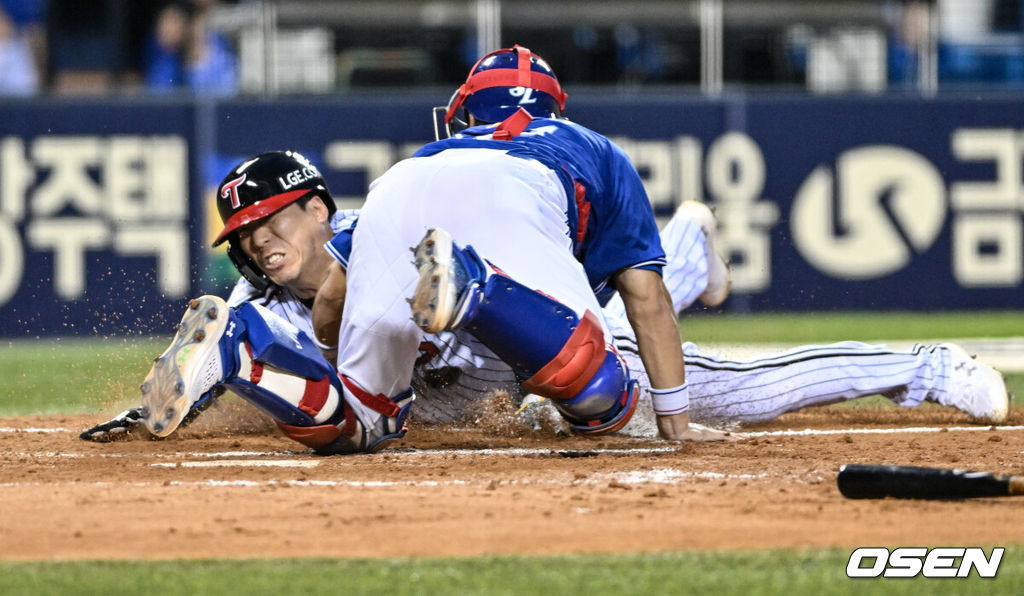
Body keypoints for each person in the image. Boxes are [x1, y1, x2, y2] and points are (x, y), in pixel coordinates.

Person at [81, 48, 1008, 447]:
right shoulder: (564, 153)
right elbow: (210, 353)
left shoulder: (403, 190)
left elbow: (641, 312)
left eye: (275, 222)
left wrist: (669, 419)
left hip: (489, 315)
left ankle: (918, 363)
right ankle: (692, 247)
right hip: (484, 330)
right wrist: (165, 402)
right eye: (251, 235)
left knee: (679, 391)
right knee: (610, 354)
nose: (264, 243)